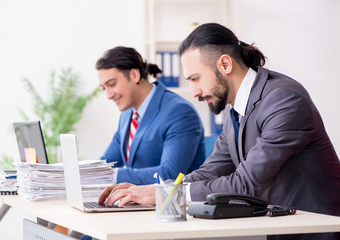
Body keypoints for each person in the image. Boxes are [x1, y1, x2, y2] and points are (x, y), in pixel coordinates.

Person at [98, 24, 340, 240]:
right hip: (279, 228)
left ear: (225, 64)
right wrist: (160, 192)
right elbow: (210, 170)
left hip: (317, 229)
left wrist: (163, 194)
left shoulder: (283, 99)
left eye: (195, 78)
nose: (193, 91)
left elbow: (246, 183)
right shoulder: (235, 109)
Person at [96, 46, 205, 185]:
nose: (108, 95)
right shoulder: (127, 113)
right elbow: (108, 161)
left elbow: (169, 174)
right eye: (104, 88)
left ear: (134, 75)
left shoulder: (180, 112)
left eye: (112, 84)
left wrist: (113, 175)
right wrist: (85, 172)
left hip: (171, 204)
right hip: (137, 202)